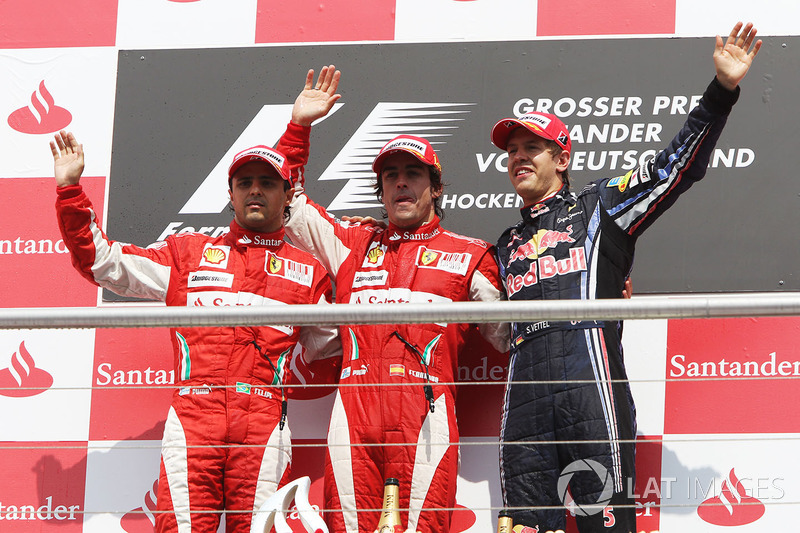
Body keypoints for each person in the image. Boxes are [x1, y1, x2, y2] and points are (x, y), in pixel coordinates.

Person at [491, 22, 761, 532]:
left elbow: (673, 169)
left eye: (533, 147)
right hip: (524, 400)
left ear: (563, 158)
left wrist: (721, 93)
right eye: (512, 150)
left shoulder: (602, 206)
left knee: (606, 525)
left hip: (592, 391)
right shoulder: (503, 246)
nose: (519, 157)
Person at [51, 132, 340, 532]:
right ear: (231, 193)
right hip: (193, 418)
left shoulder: (309, 273)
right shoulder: (187, 255)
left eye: (268, 183)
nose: (255, 191)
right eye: (245, 183)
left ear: (288, 195)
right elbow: (103, 263)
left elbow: (331, 349)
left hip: (265, 421)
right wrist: (70, 191)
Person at [271, 66, 509, 533]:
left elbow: (510, 334)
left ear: (436, 188)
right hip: (354, 408)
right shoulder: (352, 243)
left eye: (413, 174)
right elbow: (291, 203)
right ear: (380, 190)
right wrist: (298, 128)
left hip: (427, 408)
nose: (401, 183)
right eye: (391, 175)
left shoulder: (470, 255)